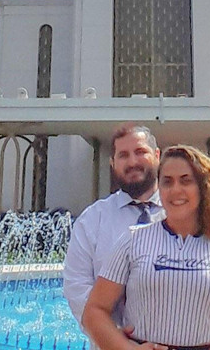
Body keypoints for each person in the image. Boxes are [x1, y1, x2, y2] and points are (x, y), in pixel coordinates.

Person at [82, 145, 210, 350]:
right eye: (167, 182)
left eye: (186, 180)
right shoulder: (133, 241)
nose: (176, 190)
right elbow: (95, 310)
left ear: (204, 188)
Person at [63, 124, 165, 325]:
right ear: (112, 163)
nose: (132, 162)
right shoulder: (91, 220)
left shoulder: (186, 214)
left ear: (157, 155)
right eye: (123, 155)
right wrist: (116, 340)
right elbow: (77, 288)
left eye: (140, 152)